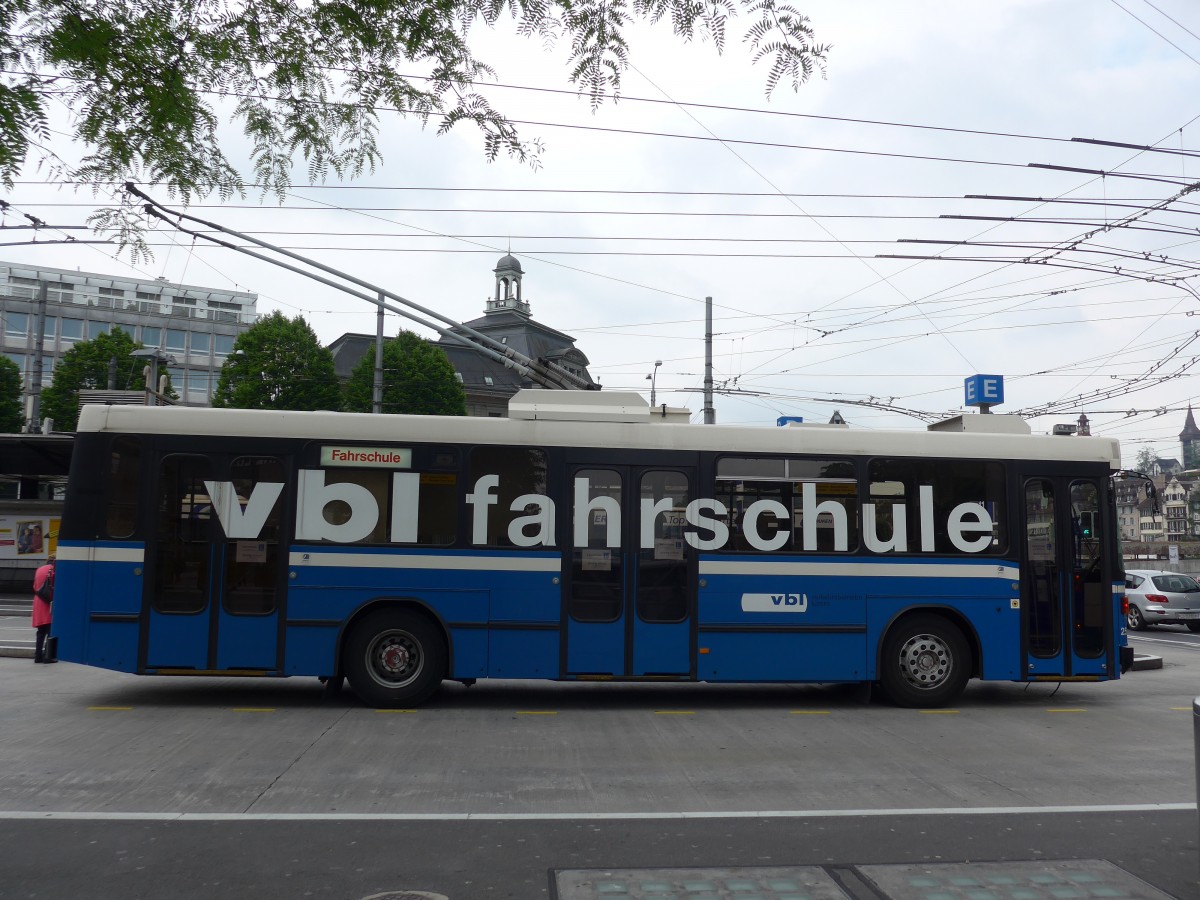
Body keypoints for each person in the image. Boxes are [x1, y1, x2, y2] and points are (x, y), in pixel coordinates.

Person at [31, 554, 57, 664]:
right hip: (49, 602)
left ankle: (38, 656)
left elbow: (34, 586)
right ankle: (48, 656)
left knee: (41, 631)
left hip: (38, 601)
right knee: (51, 631)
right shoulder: (54, 570)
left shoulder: (39, 569)